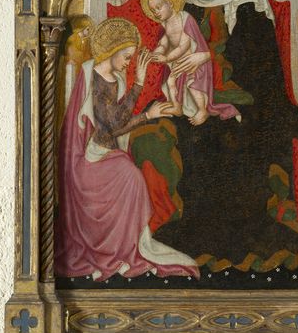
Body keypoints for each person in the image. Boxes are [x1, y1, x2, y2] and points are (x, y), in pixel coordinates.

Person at [148, 0, 298, 271]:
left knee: (232, 139)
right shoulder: (186, 1)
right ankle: (200, 228)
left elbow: (258, 56)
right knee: (182, 137)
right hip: (198, 92)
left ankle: (242, 232)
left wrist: (207, 61)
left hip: (245, 93)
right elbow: (177, 46)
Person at [54, 17, 199, 281]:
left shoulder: (117, 80)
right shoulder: (92, 76)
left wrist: (140, 93)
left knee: (132, 175)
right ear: (113, 49)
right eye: (126, 57)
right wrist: (146, 109)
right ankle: (116, 251)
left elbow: (118, 122)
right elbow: (111, 127)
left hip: (107, 154)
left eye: (131, 58)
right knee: (131, 176)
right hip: (89, 160)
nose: (128, 63)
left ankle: (124, 248)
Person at [141, 0, 240, 126]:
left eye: (158, 7)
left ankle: (202, 110)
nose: (156, 12)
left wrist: (166, 57)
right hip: (178, 63)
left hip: (193, 63)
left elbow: (184, 45)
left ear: (170, 3)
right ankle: (176, 106)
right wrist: (156, 53)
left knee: (192, 84)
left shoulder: (184, 18)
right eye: (153, 10)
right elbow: (164, 43)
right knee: (170, 82)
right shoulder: (165, 24)